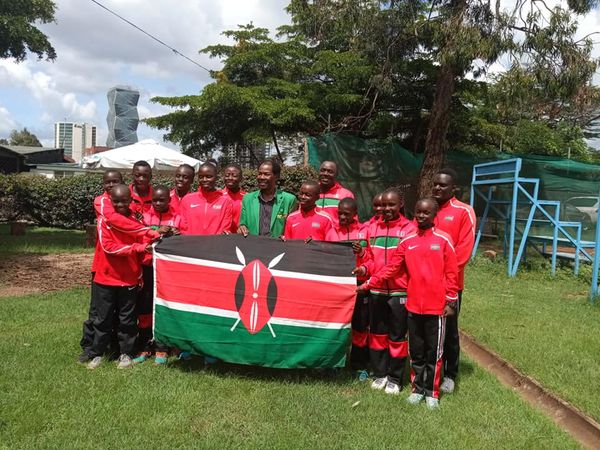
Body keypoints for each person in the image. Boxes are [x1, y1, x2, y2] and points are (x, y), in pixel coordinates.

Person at [357, 198, 458, 409]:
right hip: (413, 305)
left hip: (436, 307)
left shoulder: (443, 239)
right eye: (419, 212)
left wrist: (450, 301)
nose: (421, 216)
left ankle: (432, 392)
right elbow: (392, 268)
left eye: (426, 212)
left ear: (434, 215)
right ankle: (417, 389)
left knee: (434, 352)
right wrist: (368, 283)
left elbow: (451, 273)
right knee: (417, 351)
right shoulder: (408, 240)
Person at [79, 170, 160, 364]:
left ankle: (126, 352)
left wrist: (156, 238)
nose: (120, 205)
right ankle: (96, 351)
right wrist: (141, 243)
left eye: (125, 201)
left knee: (127, 319)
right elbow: (109, 247)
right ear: (110, 200)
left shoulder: (136, 218)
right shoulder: (104, 218)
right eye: (116, 201)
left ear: (131, 199)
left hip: (129, 277)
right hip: (105, 276)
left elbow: (143, 239)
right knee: (102, 317)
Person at [353, 188, 416, 395]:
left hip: (399, 292)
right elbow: (370, 259)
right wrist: (364, 269)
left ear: (401, 204)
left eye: (392, 205)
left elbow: (399, 265)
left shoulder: (409, 229)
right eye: (385, 205)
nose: (387, 209)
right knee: (378, 335)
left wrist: (368, 282)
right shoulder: (373, 229)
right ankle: (380, 374)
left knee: (397, 337)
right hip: (377, 292)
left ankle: (395, 378)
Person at [432, 167, 476, 394]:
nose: (438, 188)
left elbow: (464, 251)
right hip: (424, 284)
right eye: (436, 184)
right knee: (427, 328)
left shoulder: (463, 211)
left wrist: (440, 274)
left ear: (453, 188)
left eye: (443, 185)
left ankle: (450, 374)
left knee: (449, 329)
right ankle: (429, 369)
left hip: (449, 285)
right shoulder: (427, 210)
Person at [133, 186, 181, 365]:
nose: (158, 203)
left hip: (167, 270)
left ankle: (162, 348)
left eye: (162, 200)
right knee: (145, 308)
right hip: (147, 267)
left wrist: (176, 234)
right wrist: (155, 234)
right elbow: (138, 237)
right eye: (155, 200)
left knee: (162, 307)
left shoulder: (177, 217)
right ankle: (145, 346)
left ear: (169, 200)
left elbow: (184, 239)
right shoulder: (143, 217)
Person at [326, 197, 370, 379]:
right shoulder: (331, 232)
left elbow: (371, 259)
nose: (342, 217)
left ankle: (359, 366)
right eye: (340, 213)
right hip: (338, 284)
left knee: (360, 327)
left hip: (359, 285)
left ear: (355, 214)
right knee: (338, 325)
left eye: (347, 214)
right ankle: (335, 364)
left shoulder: (364, 232)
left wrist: (361, 252)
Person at [238, 160, 297, 237]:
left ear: (276, 177)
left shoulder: (289, 200)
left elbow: (292, 228)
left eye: (266, 174)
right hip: (253, 245)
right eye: (259, 174)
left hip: (278, 247)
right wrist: (242, 227)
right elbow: (242, 223)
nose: (261, 177)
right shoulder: (248, 198)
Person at [179, 163, 233, 235]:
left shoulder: (226, 201)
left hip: (215, 245)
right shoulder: (187, 199)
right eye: (201, 177)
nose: (204, 179)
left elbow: (225, 228)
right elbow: (183, 227)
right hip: (191, 244)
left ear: (216, 177)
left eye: (209, 176)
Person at [317, 161, 354, 225]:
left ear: (336, 175)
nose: (325, 174)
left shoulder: (346, 195)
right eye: (323, 170)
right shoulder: (311, 193)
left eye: (330, 171)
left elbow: (353, 221)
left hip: (336, 234)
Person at [221, 163, 246, 233]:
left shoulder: (247, 197)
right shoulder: (218, 196)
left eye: (234, 175)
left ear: (241, 178)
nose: (230, 178)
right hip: (222, 238)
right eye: (227, 175)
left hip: (242, 238)